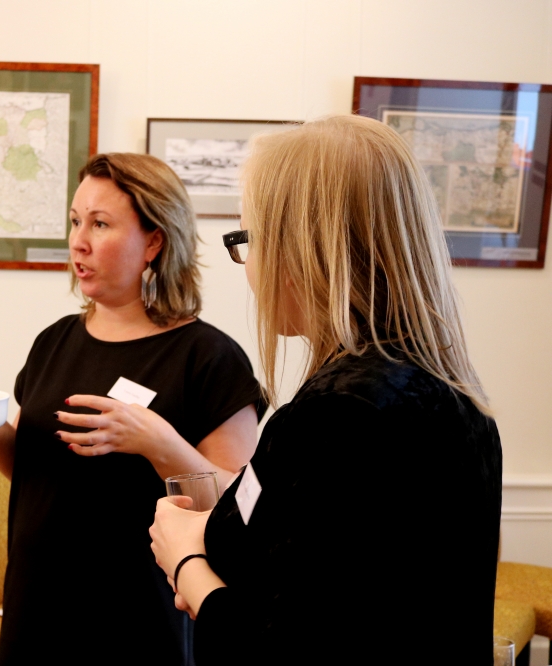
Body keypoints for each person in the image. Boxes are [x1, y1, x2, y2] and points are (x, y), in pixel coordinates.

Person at [149, 115, 502, 664]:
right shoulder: (459, 400)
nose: (250, 266)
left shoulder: (337, 415)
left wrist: (185, 563)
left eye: (249, 239)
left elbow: (278, 650)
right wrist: (211, 532)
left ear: (303, 249)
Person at [0, 153, 264, 665]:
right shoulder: (54, 341)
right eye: (75, 221)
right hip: (36, 611)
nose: (79, 241)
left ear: (154, 241)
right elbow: (29, 470)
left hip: (141, 621)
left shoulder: (208, 358)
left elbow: (238, 505)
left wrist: (157, 442)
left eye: (100, 224)